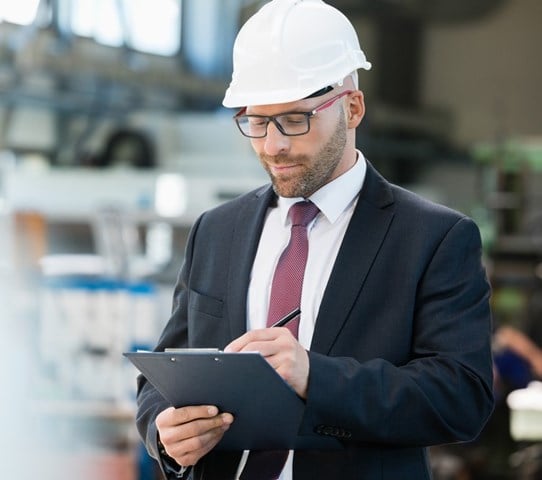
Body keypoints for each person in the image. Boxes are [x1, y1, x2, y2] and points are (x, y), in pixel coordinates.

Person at [136, 0, 495, 478]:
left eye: (294, 120)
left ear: (352, 108)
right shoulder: (216, 230)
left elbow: (461, 397)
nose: (273, 145)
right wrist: (164, 431)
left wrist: (315, 377)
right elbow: (165, 371)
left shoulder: (434, 238)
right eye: (256, 122)